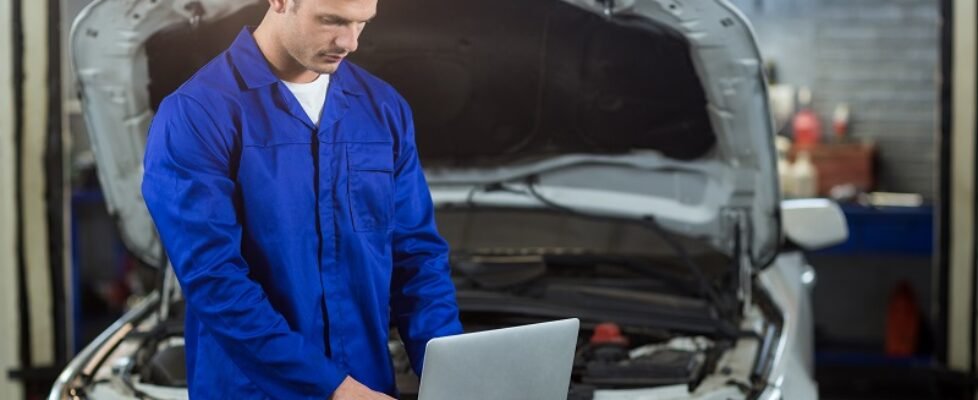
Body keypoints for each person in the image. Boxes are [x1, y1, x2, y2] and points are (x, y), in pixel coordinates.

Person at [141, 0, 463, 398]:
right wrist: (332, 389)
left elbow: (417, 258)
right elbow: (214, 280)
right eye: (332, 20)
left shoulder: (383, 110)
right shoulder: (196, 115)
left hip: (367, 384)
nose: (350, 42)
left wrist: (452, 375)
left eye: (362, 24)